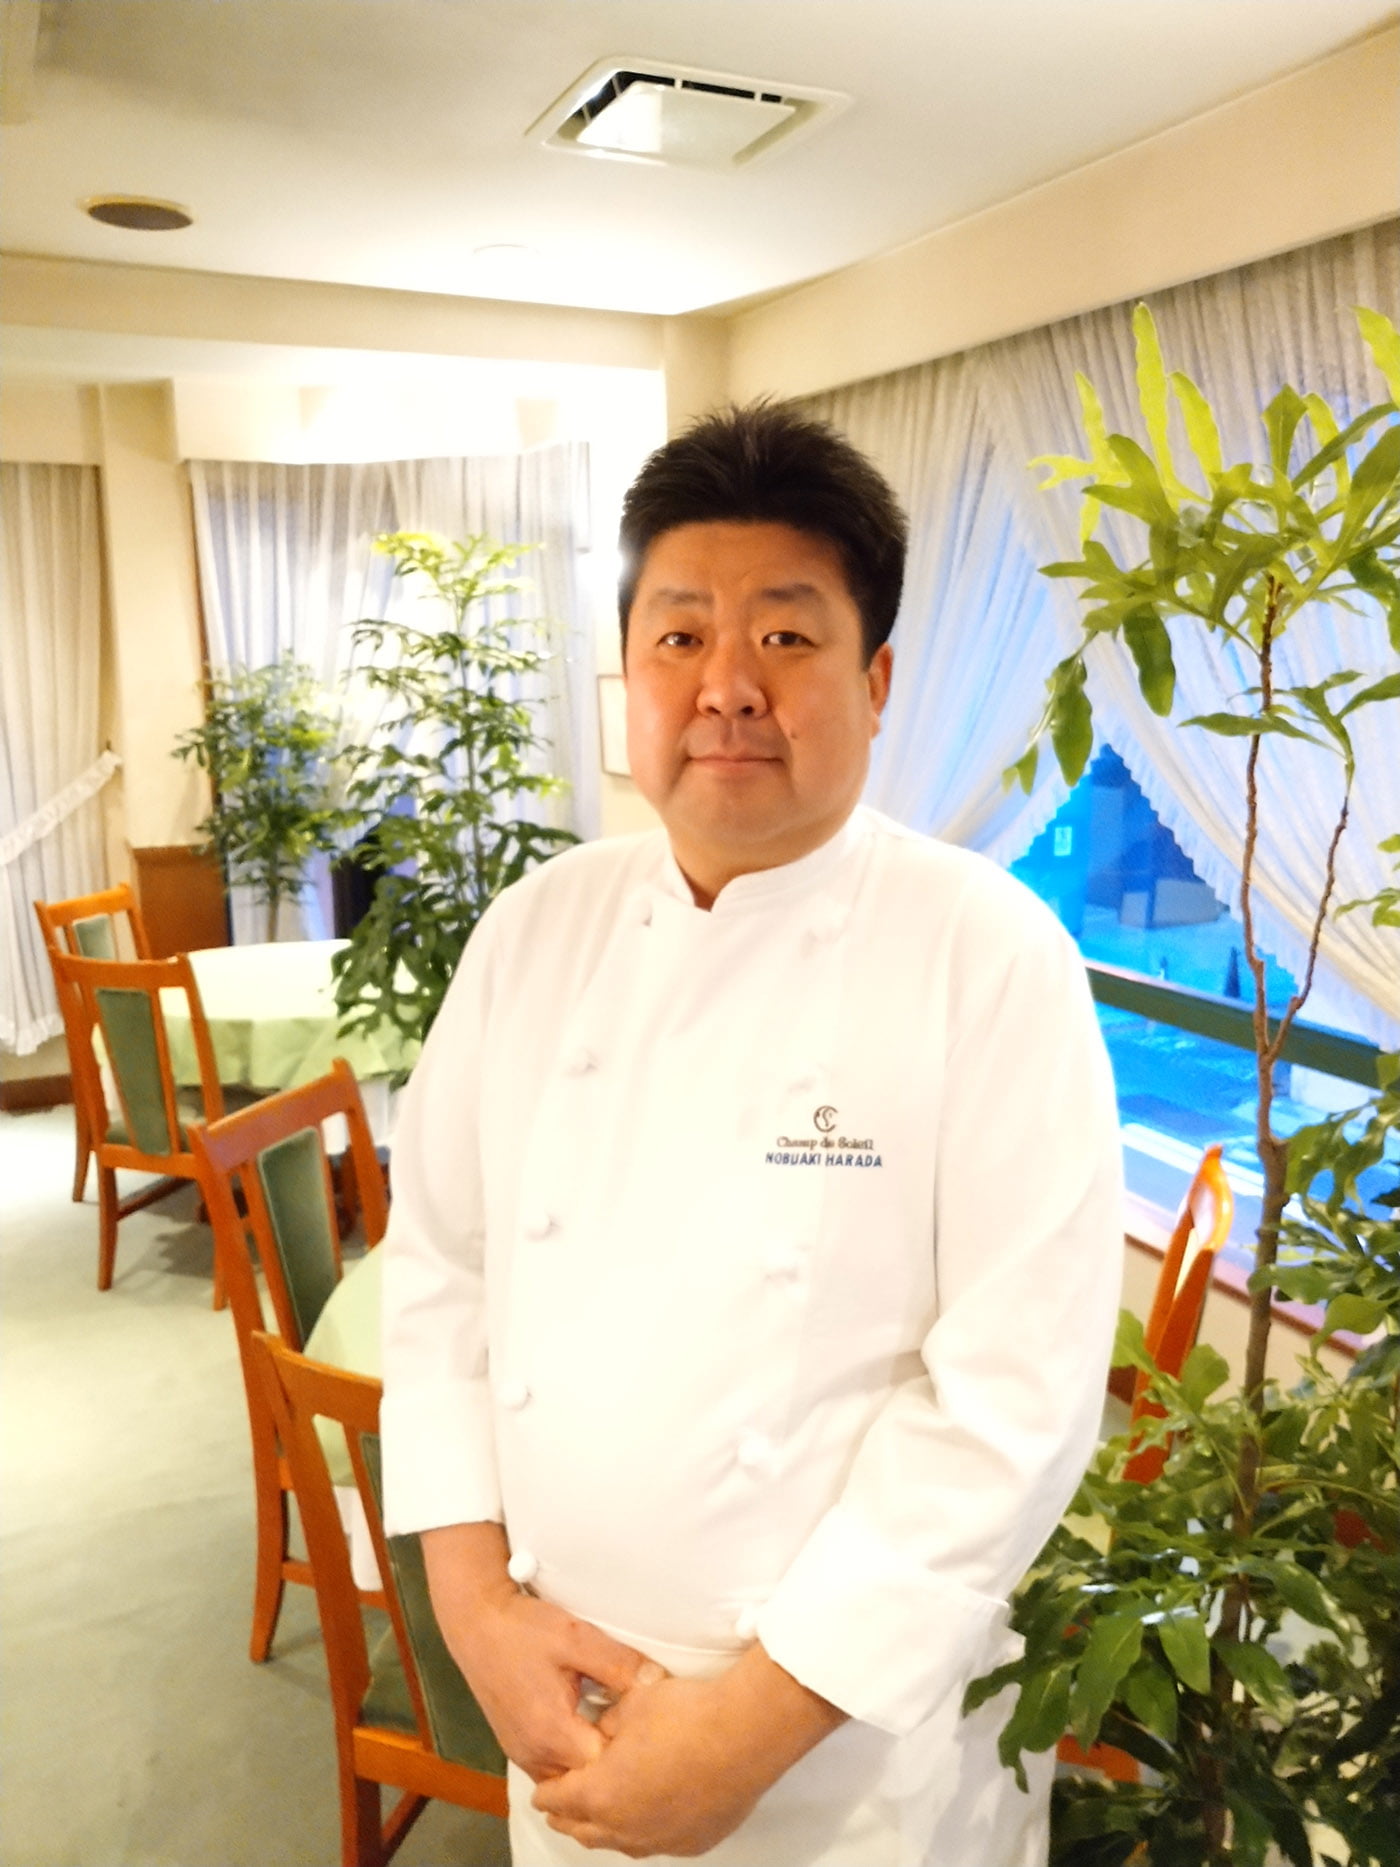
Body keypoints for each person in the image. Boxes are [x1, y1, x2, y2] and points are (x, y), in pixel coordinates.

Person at [380, 403, 1124, 1865]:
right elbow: (441, 1278)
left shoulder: (987, 954)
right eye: (680, 637)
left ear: (877, 679)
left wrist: (746, 1731)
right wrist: (476, 1615)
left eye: (786, 636)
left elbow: (1012, 1403)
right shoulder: (534, 931)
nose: (727, 687)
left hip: (848, 1754)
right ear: (628, 673)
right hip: (563, 1702)